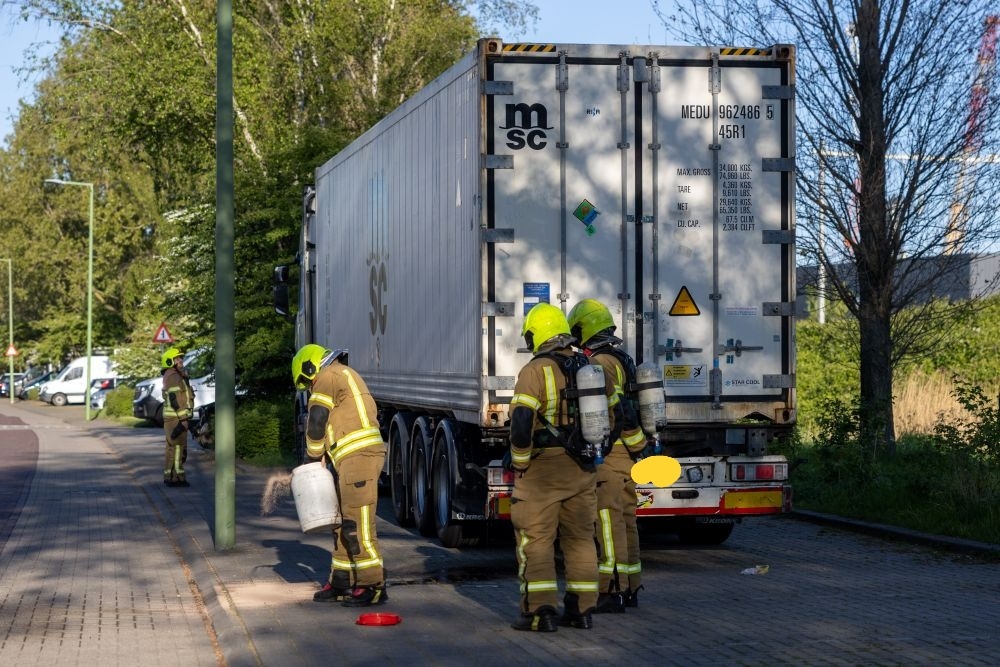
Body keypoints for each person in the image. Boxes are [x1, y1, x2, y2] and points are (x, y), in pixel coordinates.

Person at [507, 302, 616, 632]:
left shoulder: (534, 370)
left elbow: (522, 420)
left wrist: (520, 461)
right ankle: (581, 611)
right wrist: (594, 453)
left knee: (536, 539)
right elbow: (616, 415)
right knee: (581, 539)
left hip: (543, 470)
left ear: (537, 334)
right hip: (582, 468)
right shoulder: (588, 365)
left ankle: (540, 613)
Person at [291, 344, 388, 608]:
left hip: (359, 458)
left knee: (357, 522)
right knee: (342, 523)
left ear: (310, 367)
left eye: (305, 381)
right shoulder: (339, 374)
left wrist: (311, 458)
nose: (309, 387)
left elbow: (317, 418)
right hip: (350, 458)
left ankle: (372, 585)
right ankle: (342, 581)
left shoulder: (325, 377)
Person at [568, 299, 647, 611]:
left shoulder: (600, 365)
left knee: (607, 522)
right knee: (627, 521)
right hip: (626, 455)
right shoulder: (622, 358)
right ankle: (631, 586)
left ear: (584, 330)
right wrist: (637, 446)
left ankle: (611, 590)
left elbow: (619, 412)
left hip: (610, 455)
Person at [161, 347, 194, 487]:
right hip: (176, 418)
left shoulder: (174, 374)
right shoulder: (174, 377)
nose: (181, 360)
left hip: (173, 418)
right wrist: (183, 419)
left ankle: (169, 476)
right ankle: (178, 478)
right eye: (178, 358)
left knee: (171, 447)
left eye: (181, 358)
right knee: (178, 448)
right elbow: (176, 399)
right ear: (170, 361)